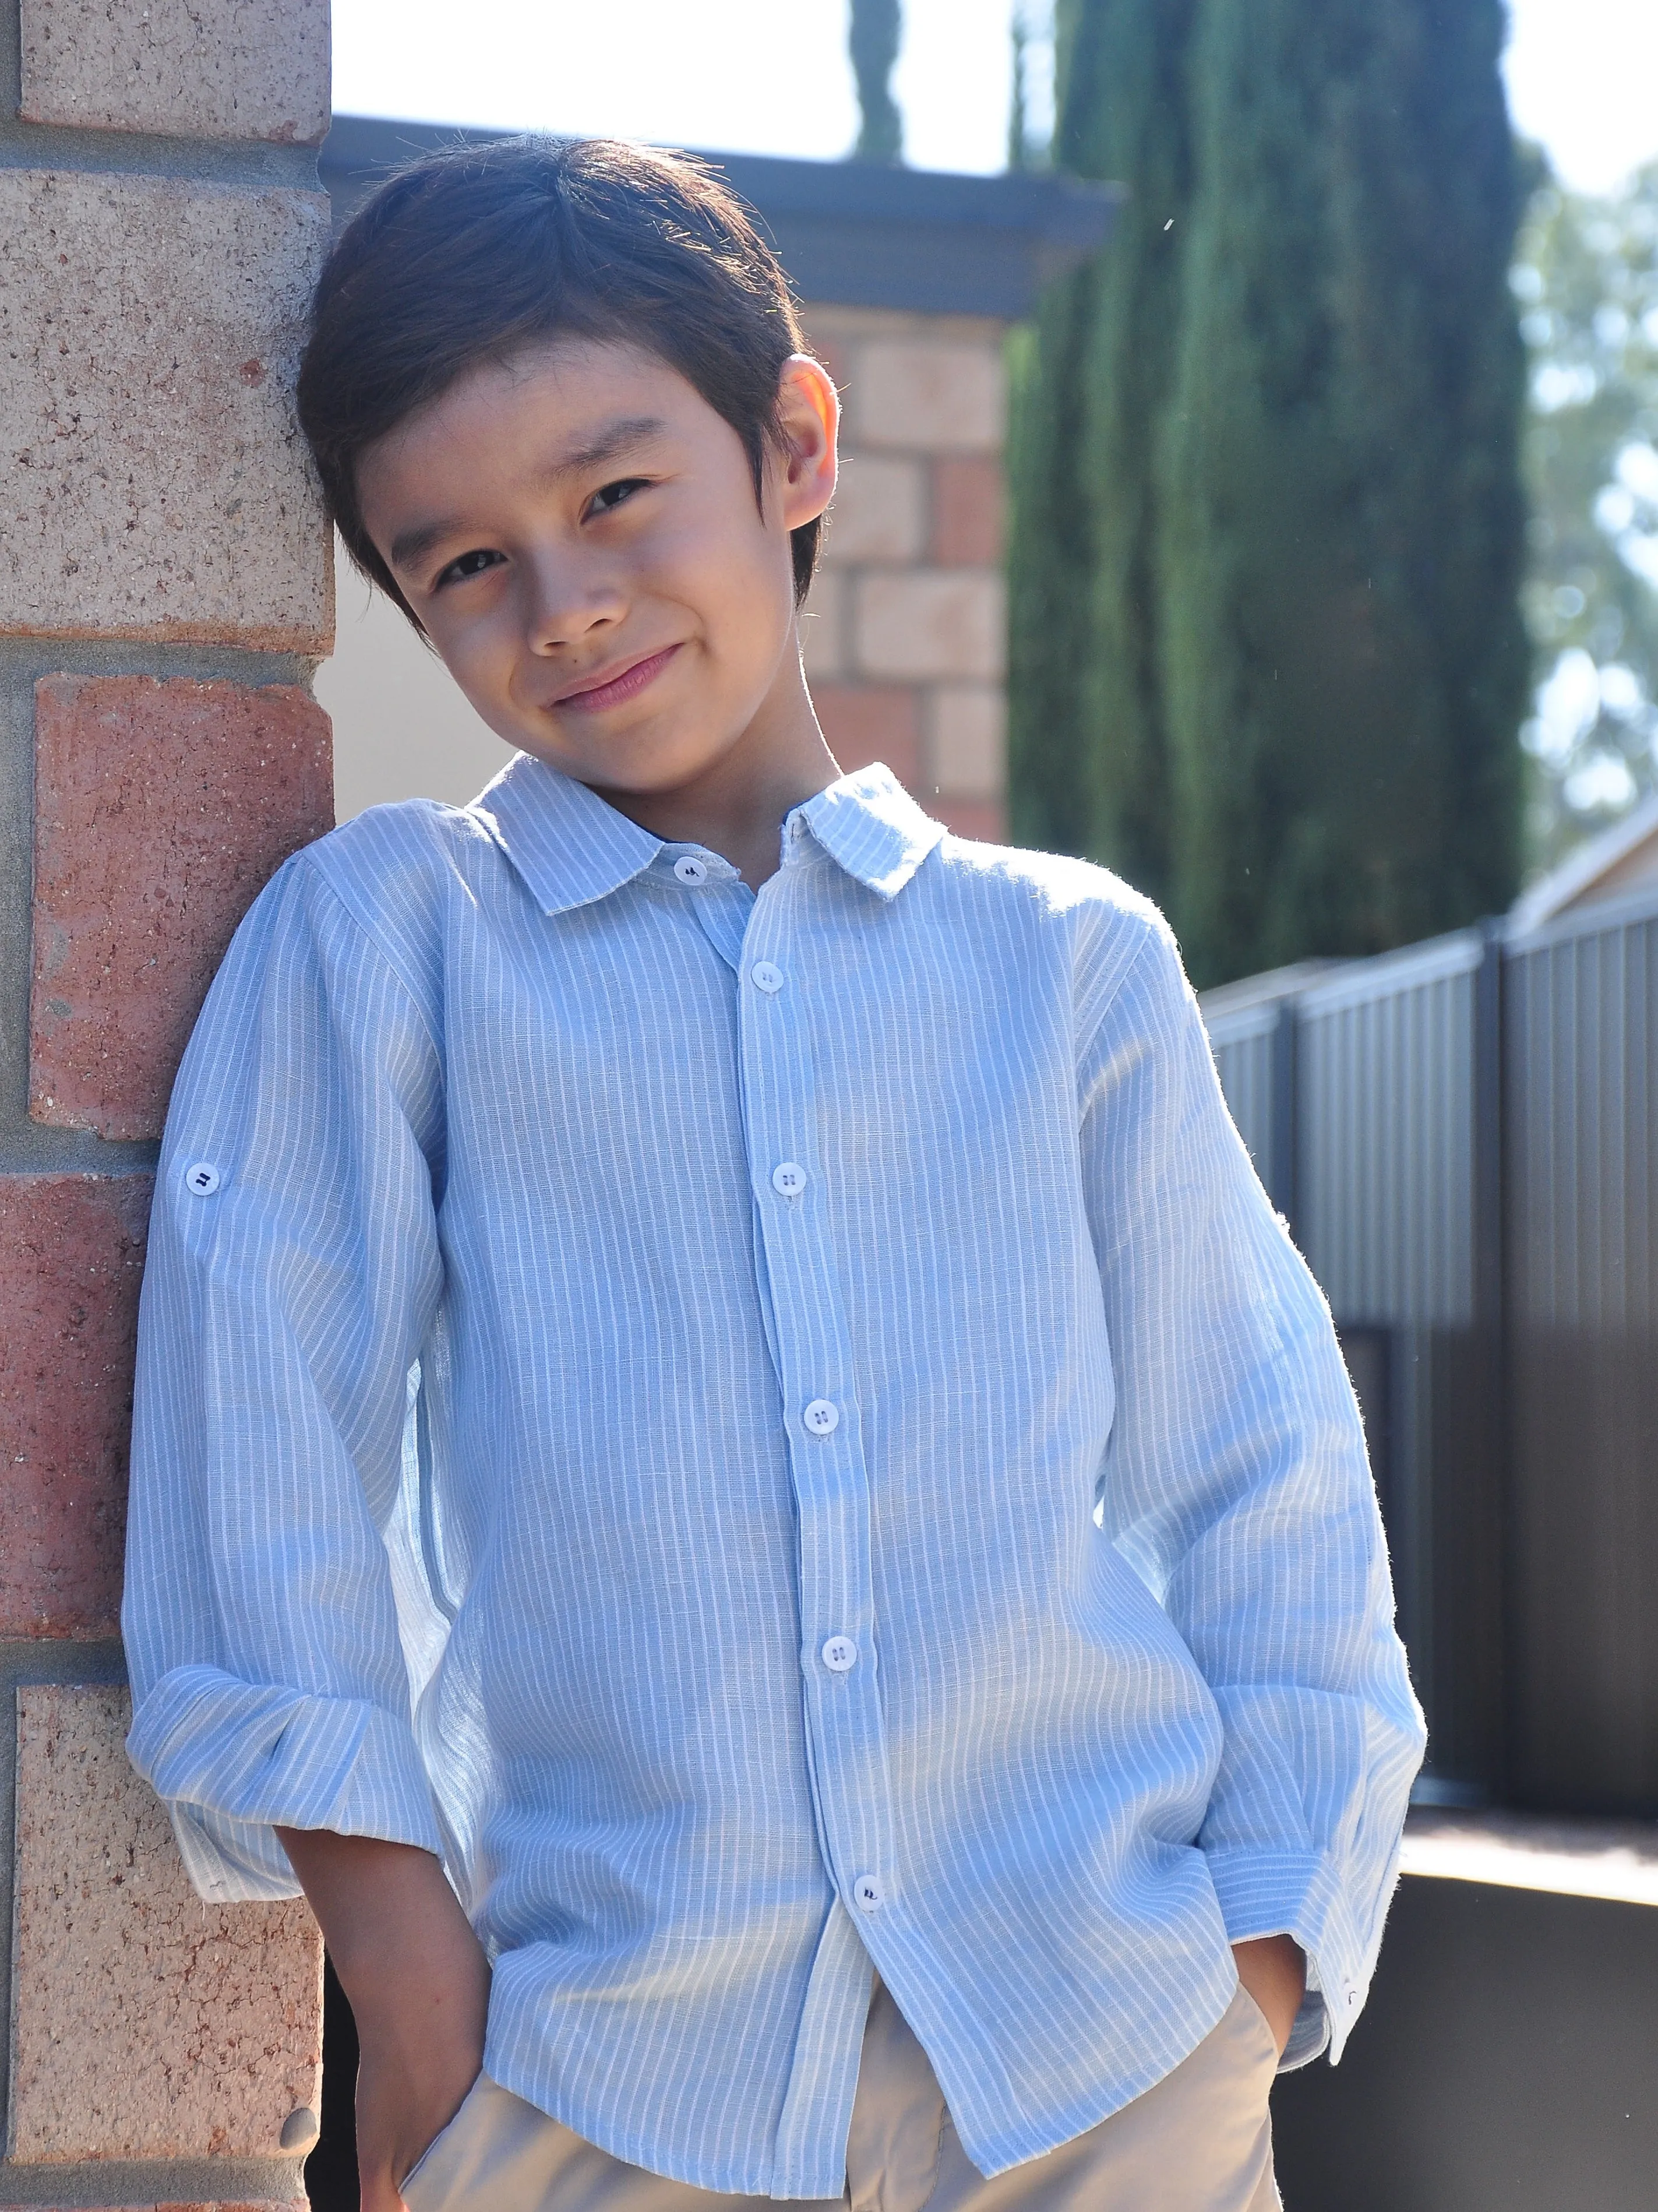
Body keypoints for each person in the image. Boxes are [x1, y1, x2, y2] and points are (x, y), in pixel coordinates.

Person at [122, 137, 1425, 2212]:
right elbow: (254, 1453)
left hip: (1104, 2067)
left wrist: (1256, 1960)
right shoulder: (389, 943)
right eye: (462, 563)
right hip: (604, 2091)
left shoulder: (1066, 964)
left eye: (615, 493)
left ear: (793, 444)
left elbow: (1265, 1478)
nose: (567, 604)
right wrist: (403, 1968)